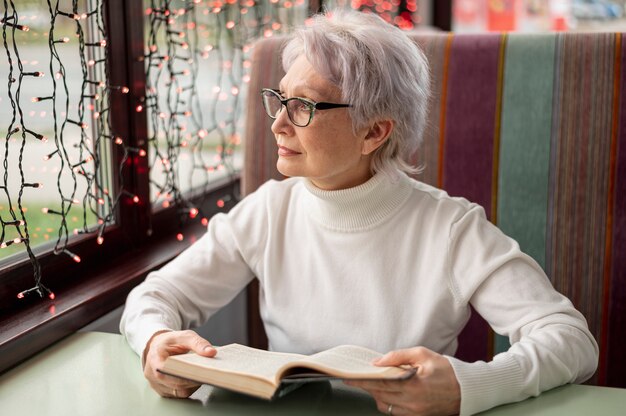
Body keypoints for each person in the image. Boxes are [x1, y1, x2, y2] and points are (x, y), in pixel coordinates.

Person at [120, 9, 598, 416]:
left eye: (304, 105)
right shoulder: (269, 210)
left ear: (374, 133)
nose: (280, 122)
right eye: (280, 98)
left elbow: (571, 340)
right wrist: (156, 340)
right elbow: (154, 297)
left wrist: (467, 385)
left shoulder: (451, 229)